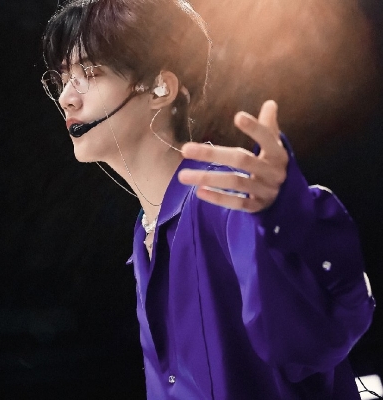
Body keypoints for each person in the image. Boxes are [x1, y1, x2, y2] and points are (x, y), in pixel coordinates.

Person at [41, 0, 375, 398]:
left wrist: (291, 217)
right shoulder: (147, 230)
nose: (66, 97)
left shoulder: (230, 200)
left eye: (90, 73)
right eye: (63, 79)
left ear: (161, 88)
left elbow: (317, 336)